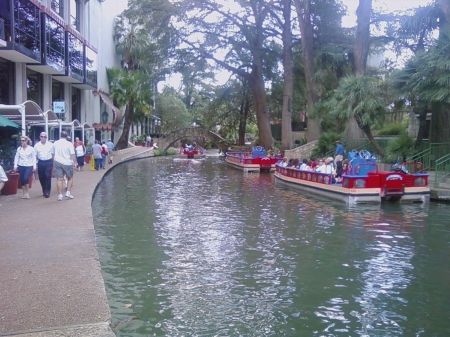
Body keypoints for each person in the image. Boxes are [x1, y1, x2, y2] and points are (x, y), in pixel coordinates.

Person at [53, 131, 77, 201]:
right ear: (67, 136)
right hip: (67, 162)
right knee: (70, 177)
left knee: (59, 179)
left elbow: (52, 153)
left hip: (58, 161)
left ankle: (60, 195)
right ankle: (68, 192)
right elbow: (72, 154)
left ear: (60, 135)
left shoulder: (55, 143)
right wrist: (75, 163)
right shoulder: (69, 144)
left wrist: (54, 161)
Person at [34, 132, 55, 198]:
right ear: (39, 137)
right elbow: (35, 155)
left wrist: (53, 163)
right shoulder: (36, 145)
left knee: (47, 175)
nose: (43, 138)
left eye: (45, 137)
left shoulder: (51, 145)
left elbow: (53, 154)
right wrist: (35, 164)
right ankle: (44, 190)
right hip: (40, 162)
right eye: (42, 136)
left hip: (48, 161)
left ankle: (47, 191)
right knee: (41, 177)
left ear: (46, 137)